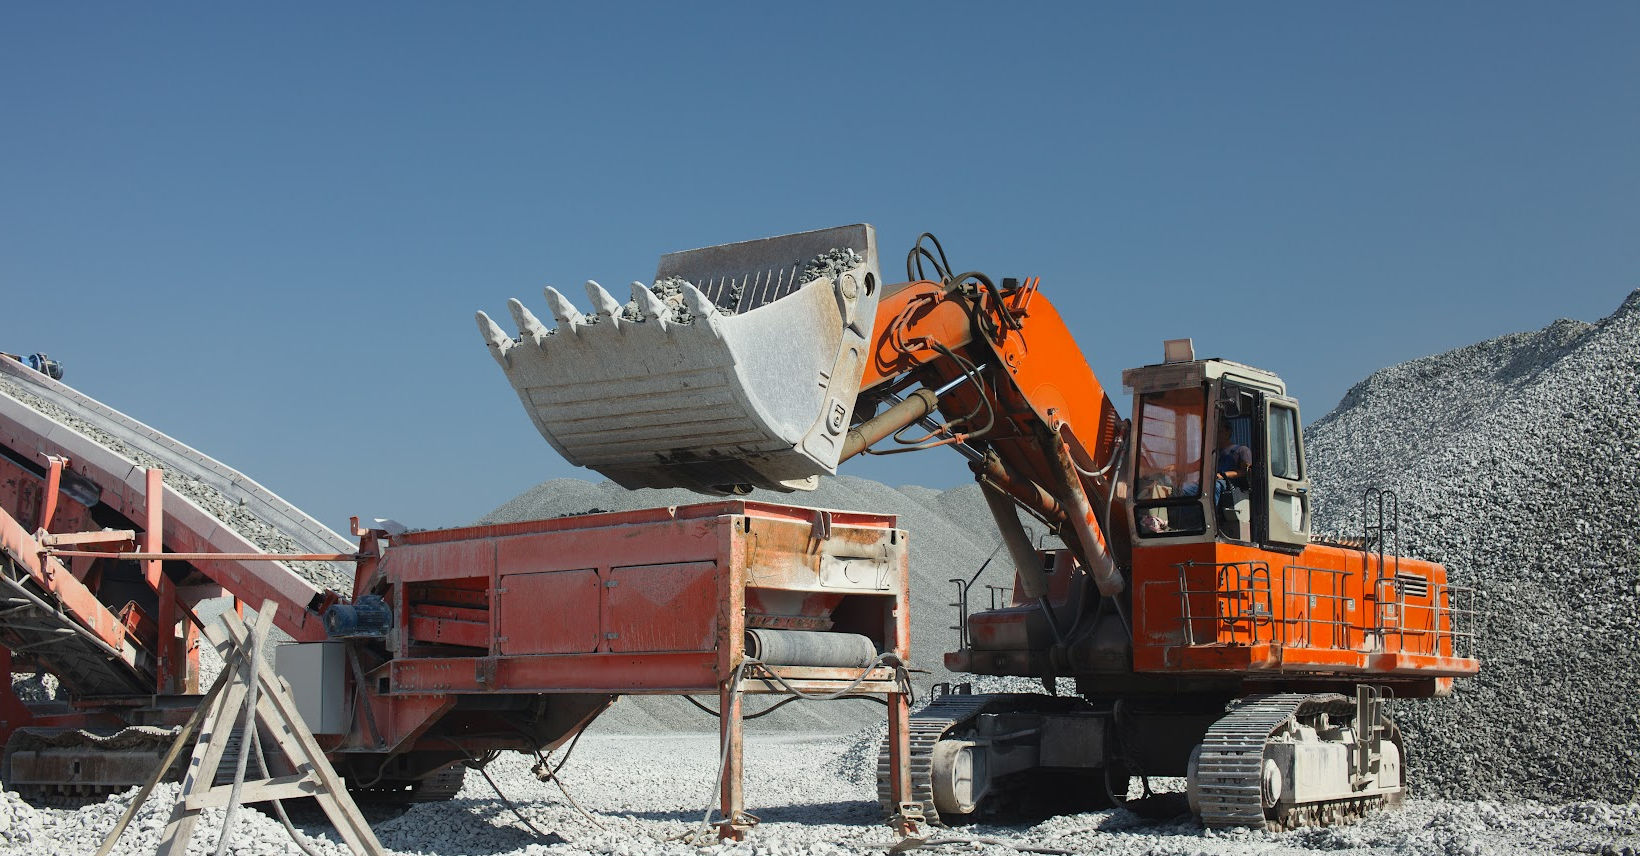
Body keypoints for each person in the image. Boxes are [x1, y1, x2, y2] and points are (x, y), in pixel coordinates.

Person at [1213, 421, 1252, 508]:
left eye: (1220, 431)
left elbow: (1244, 472)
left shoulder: (1242, 450)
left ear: (1228, 433)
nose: (1216, 435)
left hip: (1232, 486)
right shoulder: (1213, 454)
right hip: (1214, 481)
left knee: (1213, 487)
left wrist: (1222, 475)